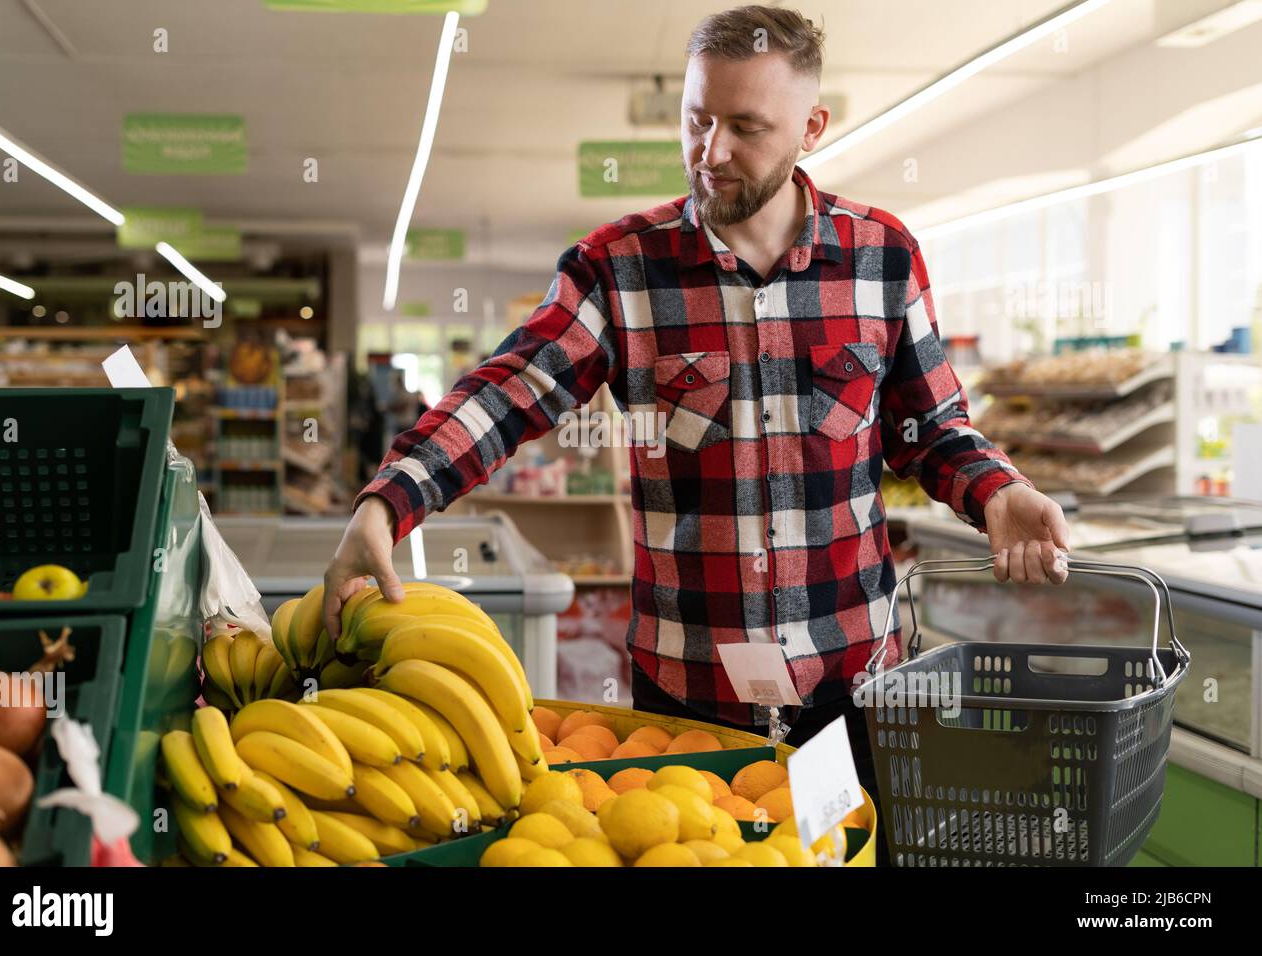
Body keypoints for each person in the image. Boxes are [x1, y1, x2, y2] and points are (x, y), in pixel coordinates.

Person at [324, 4, 1069, 860]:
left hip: (852, 693)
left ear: (811, 128)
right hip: (684, 707)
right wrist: (388, 503)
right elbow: (508, 394)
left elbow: (930, 429)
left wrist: (998, 491)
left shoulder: (882, 256)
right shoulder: (620, 269)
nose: (712, 151)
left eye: (747, 128)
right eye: (697, 119)